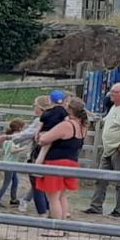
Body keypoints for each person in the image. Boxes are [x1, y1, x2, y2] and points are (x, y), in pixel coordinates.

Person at [33, 92, 86, 228]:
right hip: (72, 162)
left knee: (53, 198)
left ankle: (55, 228)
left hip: (56, 162)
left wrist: (40, 136)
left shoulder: (67, 125)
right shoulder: (82, 126)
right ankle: (62, 227)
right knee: (62, 196)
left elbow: (44, 139)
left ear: (69, 109)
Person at [85, 81, 120, 219]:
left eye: (115, 92)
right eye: (111, 91)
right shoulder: (114, 107)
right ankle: (96, 206)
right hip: (108, 149)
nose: (111, 94)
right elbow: (105, 121)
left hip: (118, 150)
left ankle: (118, 210)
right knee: (100, 179)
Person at [0, 117, 31, 210]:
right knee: (6, 183)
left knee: (15, 181)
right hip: (9, 163)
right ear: (19, 129)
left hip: (12, 163)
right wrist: (23, 149)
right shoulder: (14, 138)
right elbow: (12, 150)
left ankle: (13, 199)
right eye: (23, 128)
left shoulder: (9, 137)